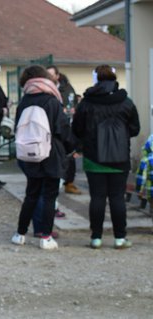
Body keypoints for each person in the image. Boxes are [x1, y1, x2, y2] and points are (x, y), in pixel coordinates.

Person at [72, 64, 140, 249]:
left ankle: (96, 237)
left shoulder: (87, 102)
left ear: (96, 79)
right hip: (120, 158)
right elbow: (135, 128)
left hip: (94, 157)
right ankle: (120, 238)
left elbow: (77, 128)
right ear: (114, 78)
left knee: (98, 197)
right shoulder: (126, 102)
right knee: (117, 197)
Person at [11, 65, 73, 250]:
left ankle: (20, 234)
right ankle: (46, 236)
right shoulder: (52, 101)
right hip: (51, 154)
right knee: (49, 197)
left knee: (31, 195)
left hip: (29, 155)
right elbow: (62, 129)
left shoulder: (24, 102)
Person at [46, 65, 81, 195]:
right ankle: (56, 181)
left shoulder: (67, 88)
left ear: (57, 76)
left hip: (66, 125)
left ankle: (69, 182)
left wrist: (73, 109)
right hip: (52, 128)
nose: (49, 77)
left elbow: (73, 103)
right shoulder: (45, 88)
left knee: (69, 155)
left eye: (51, 74)